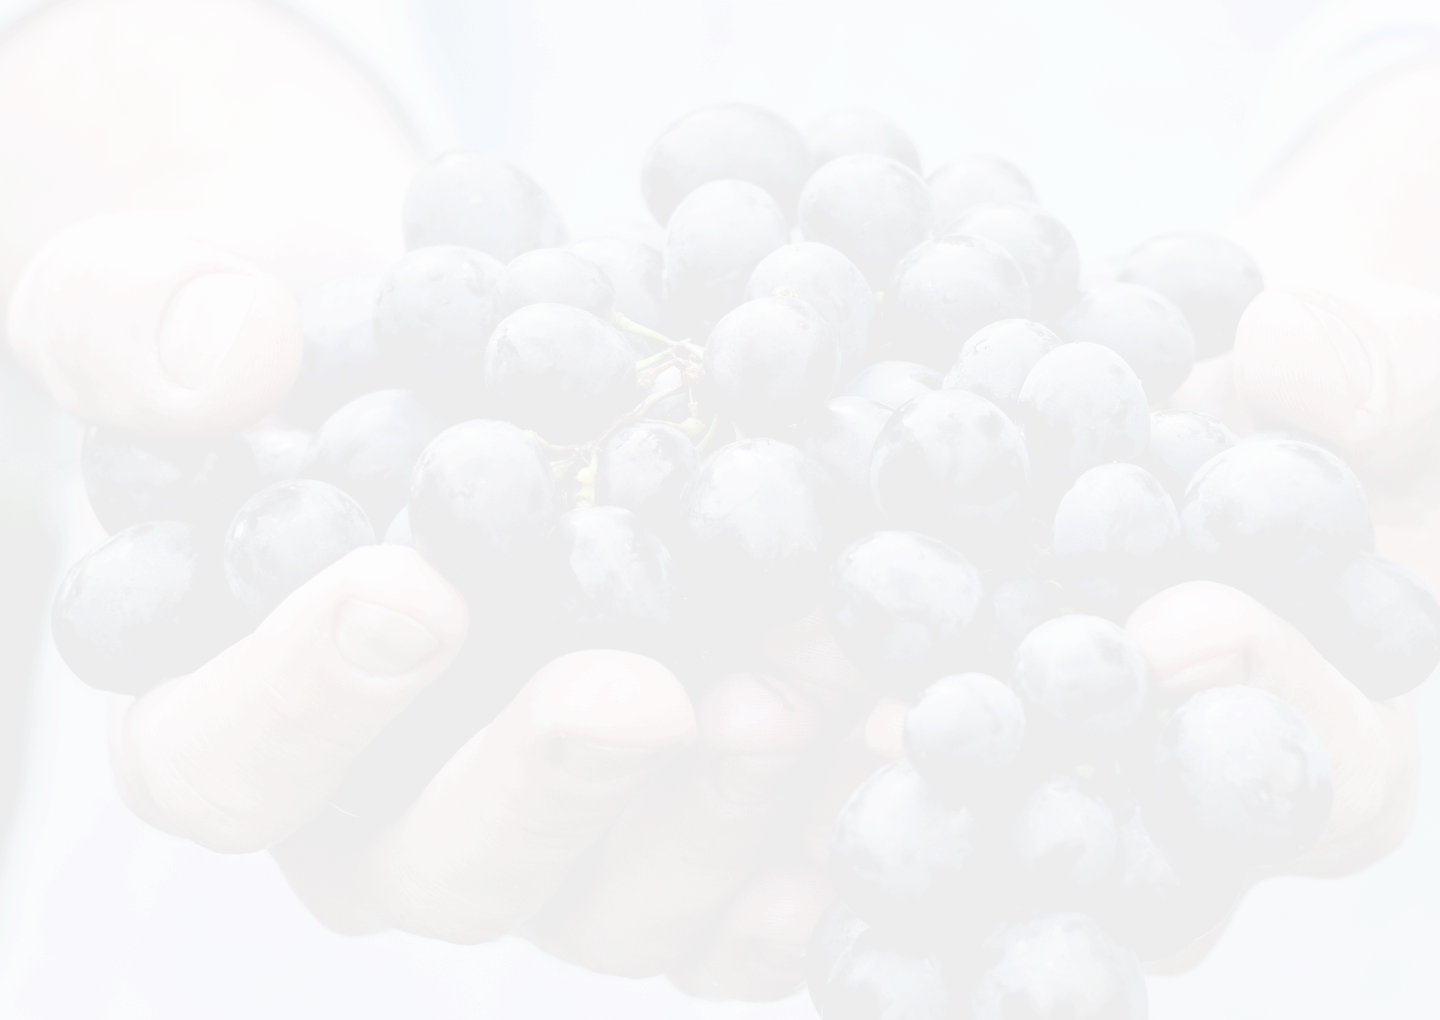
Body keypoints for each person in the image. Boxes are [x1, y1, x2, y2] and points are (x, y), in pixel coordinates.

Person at [0, 1, 1436, 1018]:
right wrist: (206, 175)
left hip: (1290, 915)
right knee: (379, 638)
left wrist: (1387, 264)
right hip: (252, 952)